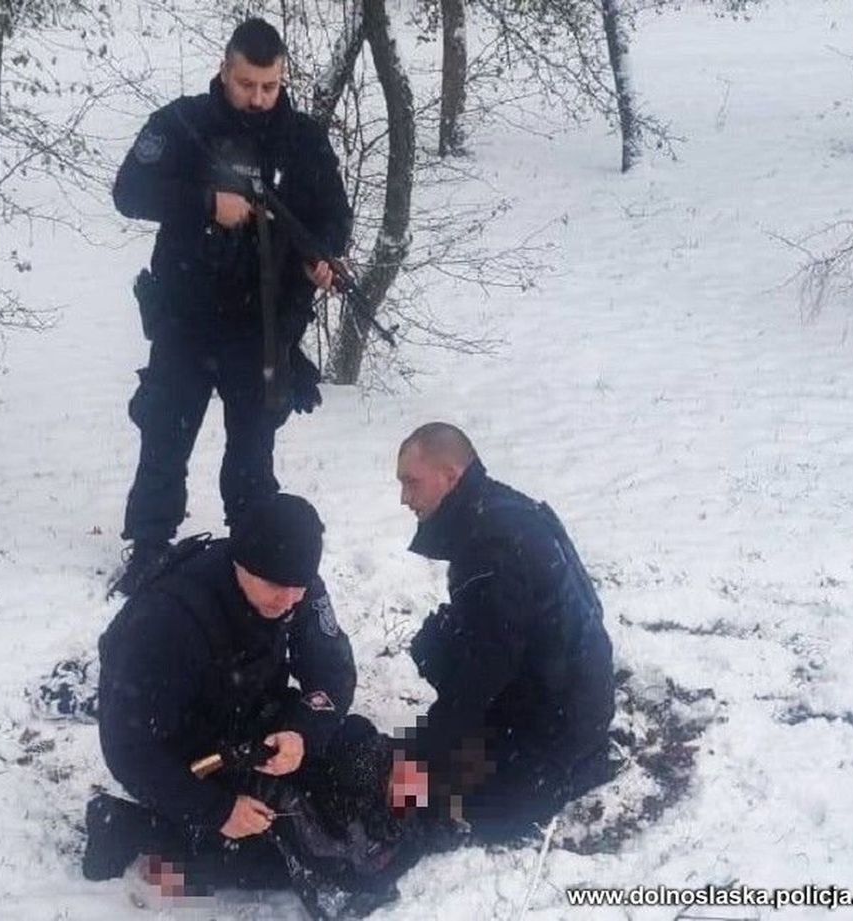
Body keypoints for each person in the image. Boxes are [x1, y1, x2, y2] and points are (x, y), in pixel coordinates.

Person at [111, 17, 353, 595]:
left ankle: (253, 543)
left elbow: (331, 218)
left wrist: (321, 259)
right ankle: (148, 546)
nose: (258, 97)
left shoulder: (303, 140)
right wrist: (204, 202)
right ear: (226, 70)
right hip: (187, 316)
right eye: (247, 84)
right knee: (165, 432)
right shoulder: (183, 123)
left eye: (269, 86)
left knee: (253, 446)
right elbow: (129, 193)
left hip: (263, 324)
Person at [84, 493, 404, 913]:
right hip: (187, 753)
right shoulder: (166, 620)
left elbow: (333, 671)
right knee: (272, 852)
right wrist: (216, 810)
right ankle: (130, 828)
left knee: (358, 756)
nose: (289, 600)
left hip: (254, 718)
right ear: (240, 562)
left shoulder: (293, 581)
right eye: (275, 586)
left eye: (299, 588)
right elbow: (128, 750)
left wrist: (301, 733)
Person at [393, 422, 616, 843]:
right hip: (562, 680)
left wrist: (425, 755)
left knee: (454, 804)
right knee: (435, 645)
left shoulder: (492, 546)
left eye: (411, 482)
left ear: (450, 476)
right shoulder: (500, 506)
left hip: (564, 714)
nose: (405, 498)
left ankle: (575, 764)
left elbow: (484, 672)